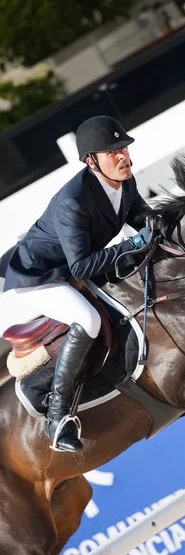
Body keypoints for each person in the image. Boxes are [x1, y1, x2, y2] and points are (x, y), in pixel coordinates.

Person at [0, 116, 153, 453]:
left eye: (123, 147)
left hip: (72, 267)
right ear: (91, 161)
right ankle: (57, 415)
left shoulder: (124, 181)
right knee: (89, 319)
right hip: (40, 275)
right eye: (112, 151)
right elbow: (81, 265)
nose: (123, 155)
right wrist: (131, 245)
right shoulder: (74, 201)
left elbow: (143, 218)